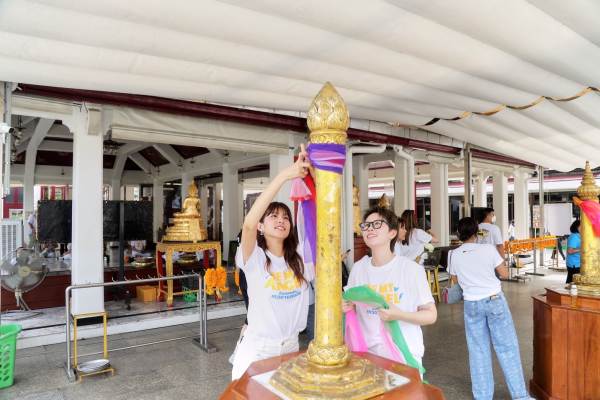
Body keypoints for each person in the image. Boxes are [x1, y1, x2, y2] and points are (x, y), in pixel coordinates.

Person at [231, 145, 314, 380]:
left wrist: (312, 174)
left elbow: (317, 223)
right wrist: (286, 175)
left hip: (291, 347)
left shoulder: (299, 261)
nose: (281, 220)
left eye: (286, 217)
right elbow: (248, 224)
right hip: (259, 348)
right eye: (274, 216)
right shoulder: (254, 258)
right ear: (261, 225)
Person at [449, 217, 531, 400]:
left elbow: (455, 281)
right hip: (494, 300)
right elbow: (504, 273)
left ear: (459, 234)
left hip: (471, 304)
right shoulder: (487, 249)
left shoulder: (454, 254)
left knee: (478, 351)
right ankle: (520, 396)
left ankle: (483, 396)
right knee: (507, 347)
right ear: (476, 232)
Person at [344, 206, 437, 366]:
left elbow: (431, 315)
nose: (370, 229)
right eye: (366, 225)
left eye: (377, 224)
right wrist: (345, 305)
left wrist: (399, 315)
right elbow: (351, 306)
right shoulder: (358, 268)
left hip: (404, 357)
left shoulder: (410, 269)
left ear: (392, 233)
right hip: (368, 357)